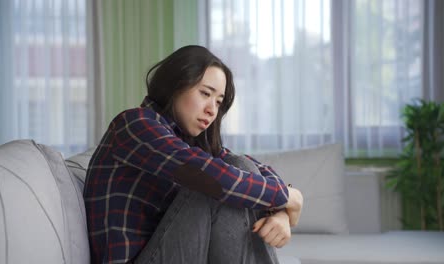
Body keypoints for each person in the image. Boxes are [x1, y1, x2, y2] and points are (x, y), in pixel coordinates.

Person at [84, 45, 303, 264]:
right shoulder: (135, 125)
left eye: (218, 102)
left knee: (235, 166)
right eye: (205, 93)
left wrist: (282, 210)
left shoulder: (188, 143)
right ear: (174, 86)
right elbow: (220, 180)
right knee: (215, 181)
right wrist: (287, 197)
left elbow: (253, 169)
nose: (212, 110)